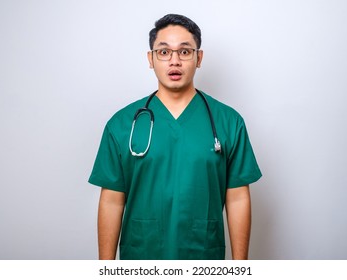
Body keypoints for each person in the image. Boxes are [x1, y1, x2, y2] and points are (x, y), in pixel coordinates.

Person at [88, 14, 262, 260]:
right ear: (151, 59)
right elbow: (112, 201)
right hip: (143, 256)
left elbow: (237, 197)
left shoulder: (228, 122)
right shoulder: (122, 124)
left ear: (199, 58)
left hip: (203, 256)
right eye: (163, 52)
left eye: (184, 52)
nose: (174, 61)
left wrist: (240, 268)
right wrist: (105, 270)